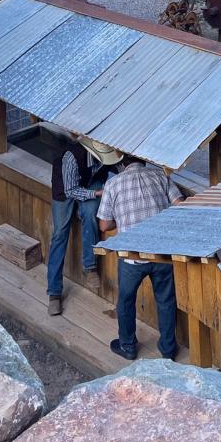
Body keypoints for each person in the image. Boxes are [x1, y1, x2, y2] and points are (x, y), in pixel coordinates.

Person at [98, 154, 182, 361]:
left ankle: (127, 346)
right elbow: (180, 204)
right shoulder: (160, 176)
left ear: (120, 164)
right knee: (166, 300)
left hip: (131, 257)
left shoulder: (113, 184)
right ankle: (168, 349)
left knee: (126, 301)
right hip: (161, 253)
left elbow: (104, 225)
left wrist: (124, 218)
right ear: (142, 160)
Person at [47, 134, 122, 317]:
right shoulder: (72, 157)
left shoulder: (106, 154)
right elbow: (71, 190)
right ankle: (54, 294)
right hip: (65, 189)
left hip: (90, 181)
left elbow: (117, 170)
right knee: (59, 234)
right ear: (94, 152)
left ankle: (90, 267)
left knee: (90, 214)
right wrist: (97, 193)